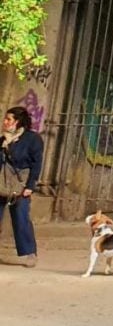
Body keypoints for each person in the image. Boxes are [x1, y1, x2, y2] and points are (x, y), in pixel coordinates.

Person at [1, 106, 41, 267]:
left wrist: (30, 185)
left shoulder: (32, 139)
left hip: (20, 184)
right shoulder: (3, 139)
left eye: (8, 119)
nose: (5, 122)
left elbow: (37, 163)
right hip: (1, 182)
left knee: (21, 217)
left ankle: (29, 253)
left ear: (17, 122)